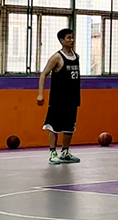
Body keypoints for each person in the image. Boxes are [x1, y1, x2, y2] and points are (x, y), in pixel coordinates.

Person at [37, 28, 82, 165]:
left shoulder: (76, 56)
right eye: (68, 38)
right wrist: (40, 94)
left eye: (72, 37)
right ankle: (52, 153)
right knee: (54, 126)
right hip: (58, 98)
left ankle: (65, 152)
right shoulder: (57, 57)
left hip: (72, 98)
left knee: (69, 126)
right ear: (62, 40)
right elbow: (43, 74)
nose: (71, 40)